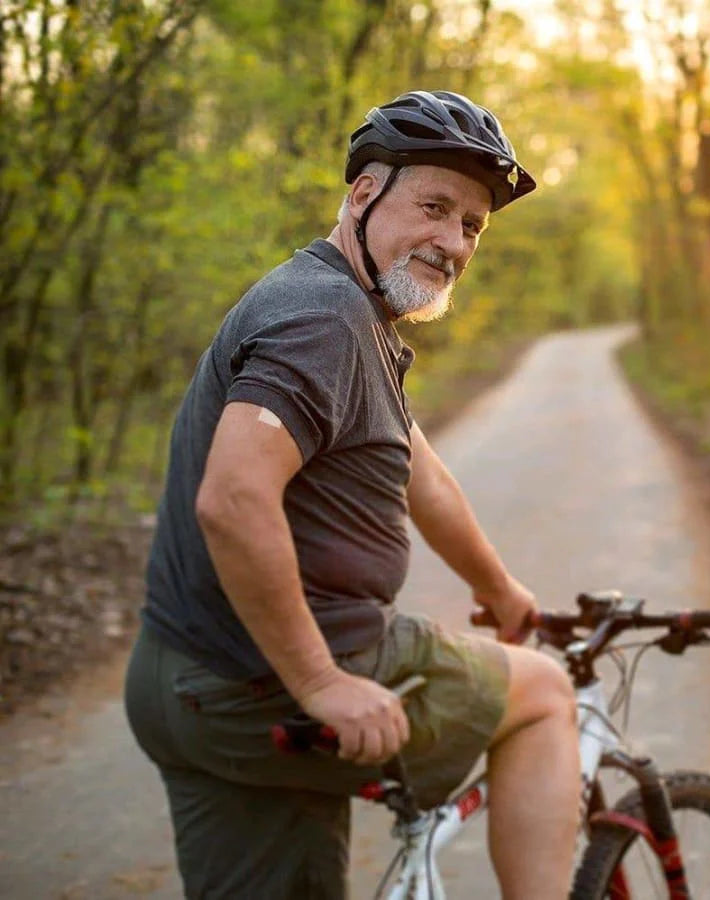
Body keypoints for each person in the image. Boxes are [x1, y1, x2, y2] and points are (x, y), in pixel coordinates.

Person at [125, 90, 580, 899]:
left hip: (184, 682)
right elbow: (232, 499)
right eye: (434, 207)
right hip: (264, 682)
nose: (453, 242)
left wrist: (498, 589)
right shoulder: (325, 320)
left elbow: (420, 472)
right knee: (543, 695)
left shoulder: (346, 311)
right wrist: (320, 682)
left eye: (473, 225)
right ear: (364, 194)